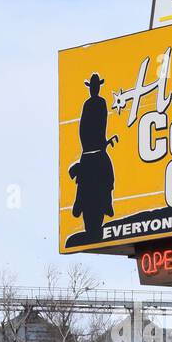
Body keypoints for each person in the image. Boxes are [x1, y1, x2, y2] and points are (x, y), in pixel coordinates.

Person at [68, 73, 116, 243]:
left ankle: (106, 202)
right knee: (90, 177)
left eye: (95, 86)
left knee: (108, 176)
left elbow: (100, 125)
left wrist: (100, 141)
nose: (94, 89)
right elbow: (84, 127)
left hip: (94, 147)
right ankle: (79, 202)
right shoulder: (89, 104)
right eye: (93, 87)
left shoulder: (99, 103)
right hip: (90, 148)